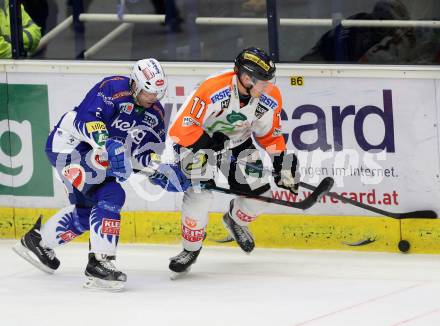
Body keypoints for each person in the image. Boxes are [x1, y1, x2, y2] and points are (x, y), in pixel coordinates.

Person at [13, 58, 189, 291]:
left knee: (87, 214)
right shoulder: (112, 88)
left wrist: (159, 170)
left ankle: (37, 241)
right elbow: (85, 119)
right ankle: (99, 263)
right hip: (69, 146)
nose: (152, 98)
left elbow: (146, 152)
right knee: (111, 195)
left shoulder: (155, 113)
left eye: (157, 93)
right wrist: (107, 144)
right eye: (148, 92)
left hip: (96, 157)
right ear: (135, 84)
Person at [166, 47, 299, 277]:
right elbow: (181, 128)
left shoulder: (270, 96)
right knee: (200, 194)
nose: (268, 86)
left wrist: (281, 163)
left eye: (269, 80)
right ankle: (190, 249)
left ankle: (234, 219)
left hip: (236, 144)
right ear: (246, 77)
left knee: (261, 196)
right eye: (262, 81)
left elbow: (270, 135)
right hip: (195, 144)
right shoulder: (212, 89)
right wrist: (206, 142)